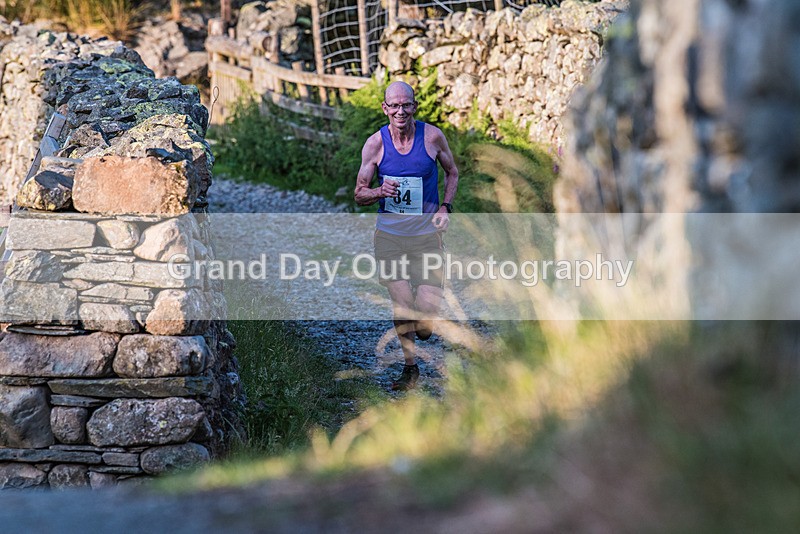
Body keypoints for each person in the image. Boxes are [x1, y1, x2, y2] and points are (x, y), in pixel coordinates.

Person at [354, 81, 459, 391]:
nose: (400, 111)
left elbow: (452, 172)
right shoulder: (375, 144)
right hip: (389, 237)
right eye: (394, 105)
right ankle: (410, 368)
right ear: (385, 109)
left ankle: (423, 328)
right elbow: (359, 194)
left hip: (427, 236)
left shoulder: (432, 137)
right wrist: (378, 191)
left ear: (415, 107)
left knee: (425, 321)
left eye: (406, 105)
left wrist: (445, 207)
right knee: (402, 304)